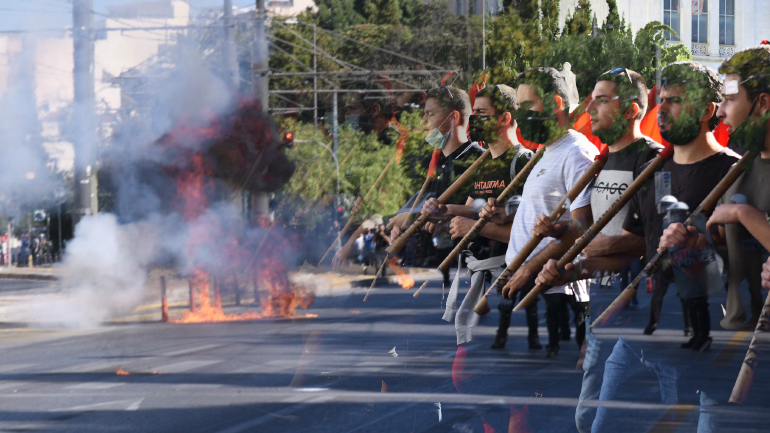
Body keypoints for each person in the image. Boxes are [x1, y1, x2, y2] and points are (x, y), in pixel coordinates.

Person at [538, 62, 740, 351]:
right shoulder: (652, 170)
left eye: (675, 101)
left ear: (707, 111)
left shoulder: (732, 171)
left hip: (714, 336)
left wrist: (703, 241)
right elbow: (640, 250)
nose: (663, 110)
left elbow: (745, 256)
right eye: (662, 101)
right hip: (641, 330)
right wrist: (571, 271)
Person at [530, 67, 662, 432]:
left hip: (639, 309)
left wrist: (612, 244)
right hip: (602, 307)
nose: (591, 107)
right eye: (591, 99)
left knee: (613, 420)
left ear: (632, 110)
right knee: (588, 418)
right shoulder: (601, 163)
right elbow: (588, 233)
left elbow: (658, 236)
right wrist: (560, 231)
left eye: (602, 100)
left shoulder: (651, 161)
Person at [483, 67, 598, 357]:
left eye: (527, 106)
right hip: (524, 279)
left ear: (555, 104)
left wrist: (528, 269)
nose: (521, 115)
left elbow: (583, 227)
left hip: (556, 288)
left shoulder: (576, 154)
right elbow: (541, 212)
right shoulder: (546, 151)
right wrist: (503, 217)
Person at [662, 45, 770, 331]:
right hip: (741, 335)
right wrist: (692, 244)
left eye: (730, 100)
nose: (720, 111)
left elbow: (740, 218)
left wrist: (743, 213)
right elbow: (727, 248)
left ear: (762, 104)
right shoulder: (737, 171)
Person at [422, 84, 534, 349]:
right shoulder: (483, 164)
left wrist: (474, 226)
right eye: (474, 114)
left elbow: (527, 228)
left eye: (482, 113)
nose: (474, 121)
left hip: (513, 270)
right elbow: (472, 208)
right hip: (482, 272)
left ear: (505, 118)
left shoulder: (524, 161)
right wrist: (443, 209)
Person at [332, 86, 484, 271]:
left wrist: (414, 217)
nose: (423, 120)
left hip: (463, 267)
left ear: (453, 118)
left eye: (430, 114)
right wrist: (355, 237)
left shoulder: (479, 160)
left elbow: (476, 211)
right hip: (428, 267)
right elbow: (400, 212)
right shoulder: (433, 162)